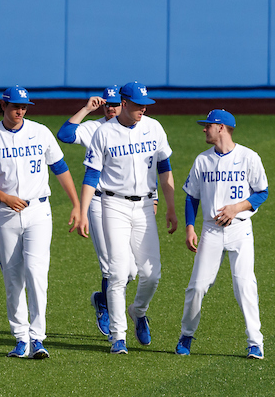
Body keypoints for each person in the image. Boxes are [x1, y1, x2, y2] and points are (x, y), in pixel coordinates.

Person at [0, 87, 83, 359]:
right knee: (13, 277)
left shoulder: (41, 132)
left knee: (36, 273)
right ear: (4, 105)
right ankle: (21, 338)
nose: (20, 111)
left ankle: (38, 338)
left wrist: (76, 203)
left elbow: (59, 167)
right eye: (15, 106)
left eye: (24, 106)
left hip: (38, 212)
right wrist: (3, 196)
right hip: (6, 214)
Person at [79, 81, 179, 354]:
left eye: (145, 104)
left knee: (151, 274)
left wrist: (170, 207)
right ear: (124, 103)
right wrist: (82, 211)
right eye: (137, 104)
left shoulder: (153, 127)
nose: (143, 109)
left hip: (146, 206)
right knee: (118, 272)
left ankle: (139, 310)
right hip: (113, 206)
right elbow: (91, 174)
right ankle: (118, 337)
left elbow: (165, 166)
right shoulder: (104, 133)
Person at [178, 109, 267, 359]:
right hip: (210, 230)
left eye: (208, 125)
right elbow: (191, 196)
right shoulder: (202, 160)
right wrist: (189, 226)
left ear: (221, 128)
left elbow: (262, 192)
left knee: (244, 285)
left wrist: (236, 207)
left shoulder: (249, 157)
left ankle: (255, 342)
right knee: (196, 286)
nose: (204, 129)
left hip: (239, 229)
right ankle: (186, 334)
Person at [56, 86, 124, 336]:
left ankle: (105, 299)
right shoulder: (95, 127)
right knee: (110, 265)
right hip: (97, 200)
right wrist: (86, 109)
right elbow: (64, 134)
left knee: (131, 268)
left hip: (128, 203)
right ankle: (112, 313)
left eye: (115, 104)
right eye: (108, 104)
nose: (111, 108)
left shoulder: (138, 129)